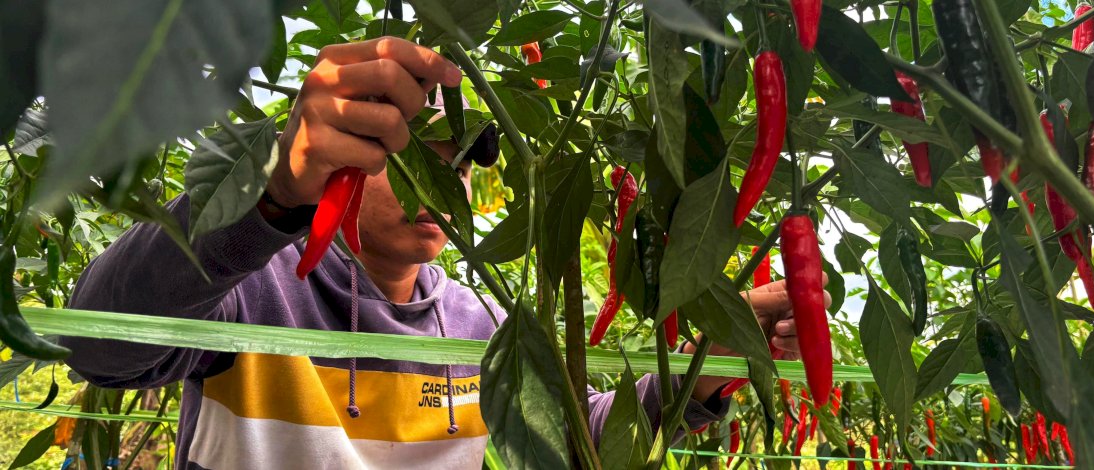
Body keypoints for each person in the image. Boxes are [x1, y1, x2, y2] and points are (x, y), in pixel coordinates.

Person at [61, 38, 821, 469]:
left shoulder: (478, 319)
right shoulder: (255, 290)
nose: (445, 181)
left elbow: (572, 429)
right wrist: (272, 194)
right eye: (413, 154)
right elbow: (97, 343)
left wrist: (709, 362)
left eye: (458, 164)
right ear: (347, 158)